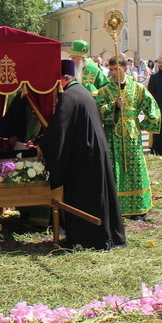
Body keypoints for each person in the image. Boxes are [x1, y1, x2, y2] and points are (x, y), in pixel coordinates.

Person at [40, 59, 126, 249]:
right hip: (92, 153)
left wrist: (42, 145)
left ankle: (90, 239)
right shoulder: (81, 92)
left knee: (87, 199)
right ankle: (106, 236)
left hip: (85, 159)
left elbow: (60, 130)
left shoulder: (69, 96)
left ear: (61, 80)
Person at [95, 54, 161, 219]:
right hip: (112, 136)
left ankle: (138, 207)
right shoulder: (104, 89)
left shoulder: (137, 88)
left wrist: (143, 125)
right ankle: (116, 209)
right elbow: (98, 112)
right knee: (114, 169)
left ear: (125, 69)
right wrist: (113, 106)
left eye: (116, 69)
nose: (113, 73)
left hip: (132, 135)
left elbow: (152, 108)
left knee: (135, 169)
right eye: (111, 69)